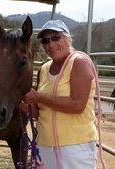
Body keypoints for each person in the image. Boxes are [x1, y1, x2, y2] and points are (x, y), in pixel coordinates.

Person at [20, 20, 98, 169]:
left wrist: (39, 97)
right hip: (45, 145)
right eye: (45, 41)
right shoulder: (44, 69)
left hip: (75, 147)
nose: (50, 44)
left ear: (67, 38)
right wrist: (19, 101)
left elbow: (77, 105)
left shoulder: (79, 62)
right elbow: (38, 112)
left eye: (56, 38)